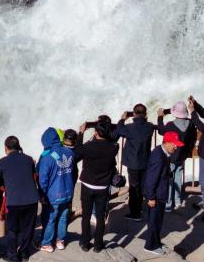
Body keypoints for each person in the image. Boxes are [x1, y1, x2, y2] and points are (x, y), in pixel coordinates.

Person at [74, 120, 119, 252]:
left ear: (95, 133)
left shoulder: (88, 147)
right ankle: (98, 245)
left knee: (86, 215)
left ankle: (85, 242)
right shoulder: (114, 147)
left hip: (88, 184)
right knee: (100, 216)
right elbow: (110, 143)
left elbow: (77, 152)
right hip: (103, 186)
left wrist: (81, 134)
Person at [0, 135, 39, 262]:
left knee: (12, 229)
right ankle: (25, 253)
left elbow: (0, 182)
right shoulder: (29, 159)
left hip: (14, 200)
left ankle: (13, 256)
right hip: (31, 199)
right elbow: (32, 175)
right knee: (28, 228)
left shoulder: (2, 162)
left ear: (6, 148)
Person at [143, 132, 184, 255]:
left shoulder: (163, 153)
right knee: (154, 221)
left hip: (159, 193)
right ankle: (150, 245)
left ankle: (156, 242)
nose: (176, 147)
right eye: (174, 144)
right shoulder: (159, 158)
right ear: (166, 142)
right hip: (156, 195)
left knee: (158, 220)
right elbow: (151, 179)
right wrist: (151, 197)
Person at [115, 104, 156, 222]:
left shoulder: (129, 128)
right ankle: (141, 207)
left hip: (133, 162)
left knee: (134, 187)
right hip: (145, 161)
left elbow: (119, 130)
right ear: (146, 114)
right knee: (142, 185)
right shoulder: (150, 127)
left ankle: (135, 213)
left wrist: (122, 119)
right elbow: (146, 124)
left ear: (133, 114)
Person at [38, 128, 74, 253]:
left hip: (53, 195)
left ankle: (47, 243)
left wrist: (41, 194)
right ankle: (60, 241)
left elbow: (43, 179)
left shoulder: (47, 157)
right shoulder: (69, 152)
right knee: (63, 217)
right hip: (68, 192)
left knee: (50, 219)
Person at [157, 101, 197, 212]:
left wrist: (160, 117)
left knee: (169, 180)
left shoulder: (171, 125)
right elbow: (193, 138)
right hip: (182, 155)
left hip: (171, 156)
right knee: (178, 177)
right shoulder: (191, 124)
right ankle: (178, 200)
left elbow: (161, 130)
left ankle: (168, 204)